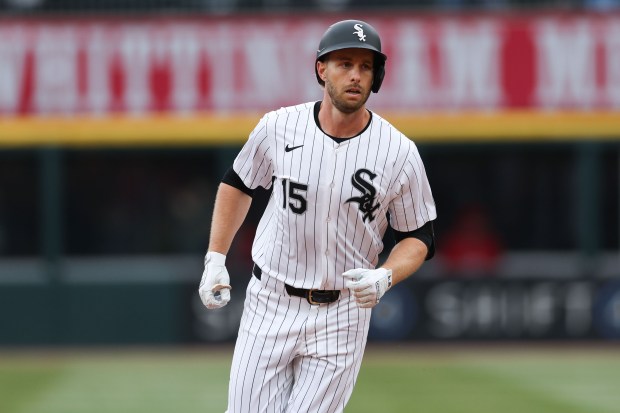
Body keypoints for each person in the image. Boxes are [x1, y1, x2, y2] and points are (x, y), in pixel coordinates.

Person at [198, 19, 437, 413]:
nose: (356, 75)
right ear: (321, 69)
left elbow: (420, 236)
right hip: (271, 301)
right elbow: (238, 183)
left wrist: (387, 274)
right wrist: (215, 258)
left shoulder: (399, 152)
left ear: (377, 76)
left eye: (366, 66)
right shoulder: (278, 127)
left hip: (342, 313)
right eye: (345, 63)